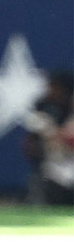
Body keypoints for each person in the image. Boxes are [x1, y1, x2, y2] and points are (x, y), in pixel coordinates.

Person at [23, 72, 74, 206]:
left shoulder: (69, 110)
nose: (51, 91)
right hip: (55, 164)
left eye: (55, 88)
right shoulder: (43, 107)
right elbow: (31, 144)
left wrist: (56, 133)